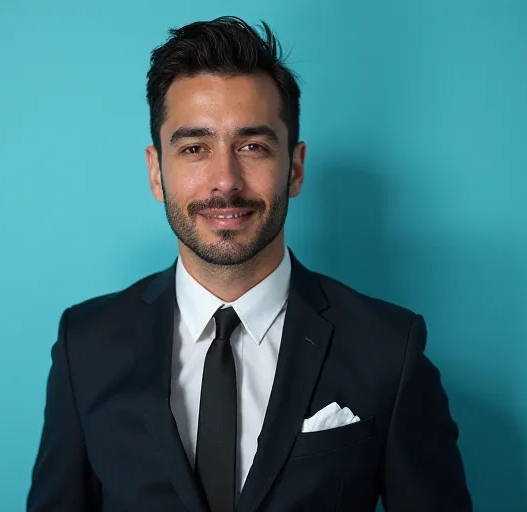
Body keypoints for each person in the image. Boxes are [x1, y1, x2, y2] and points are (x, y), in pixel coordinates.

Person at [26, 16, 472, 512]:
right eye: (195, 148)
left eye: (252, 146)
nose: (225, 180)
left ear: (296, 168)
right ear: (156, 172)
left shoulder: (389, 348)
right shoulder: (85, 346)